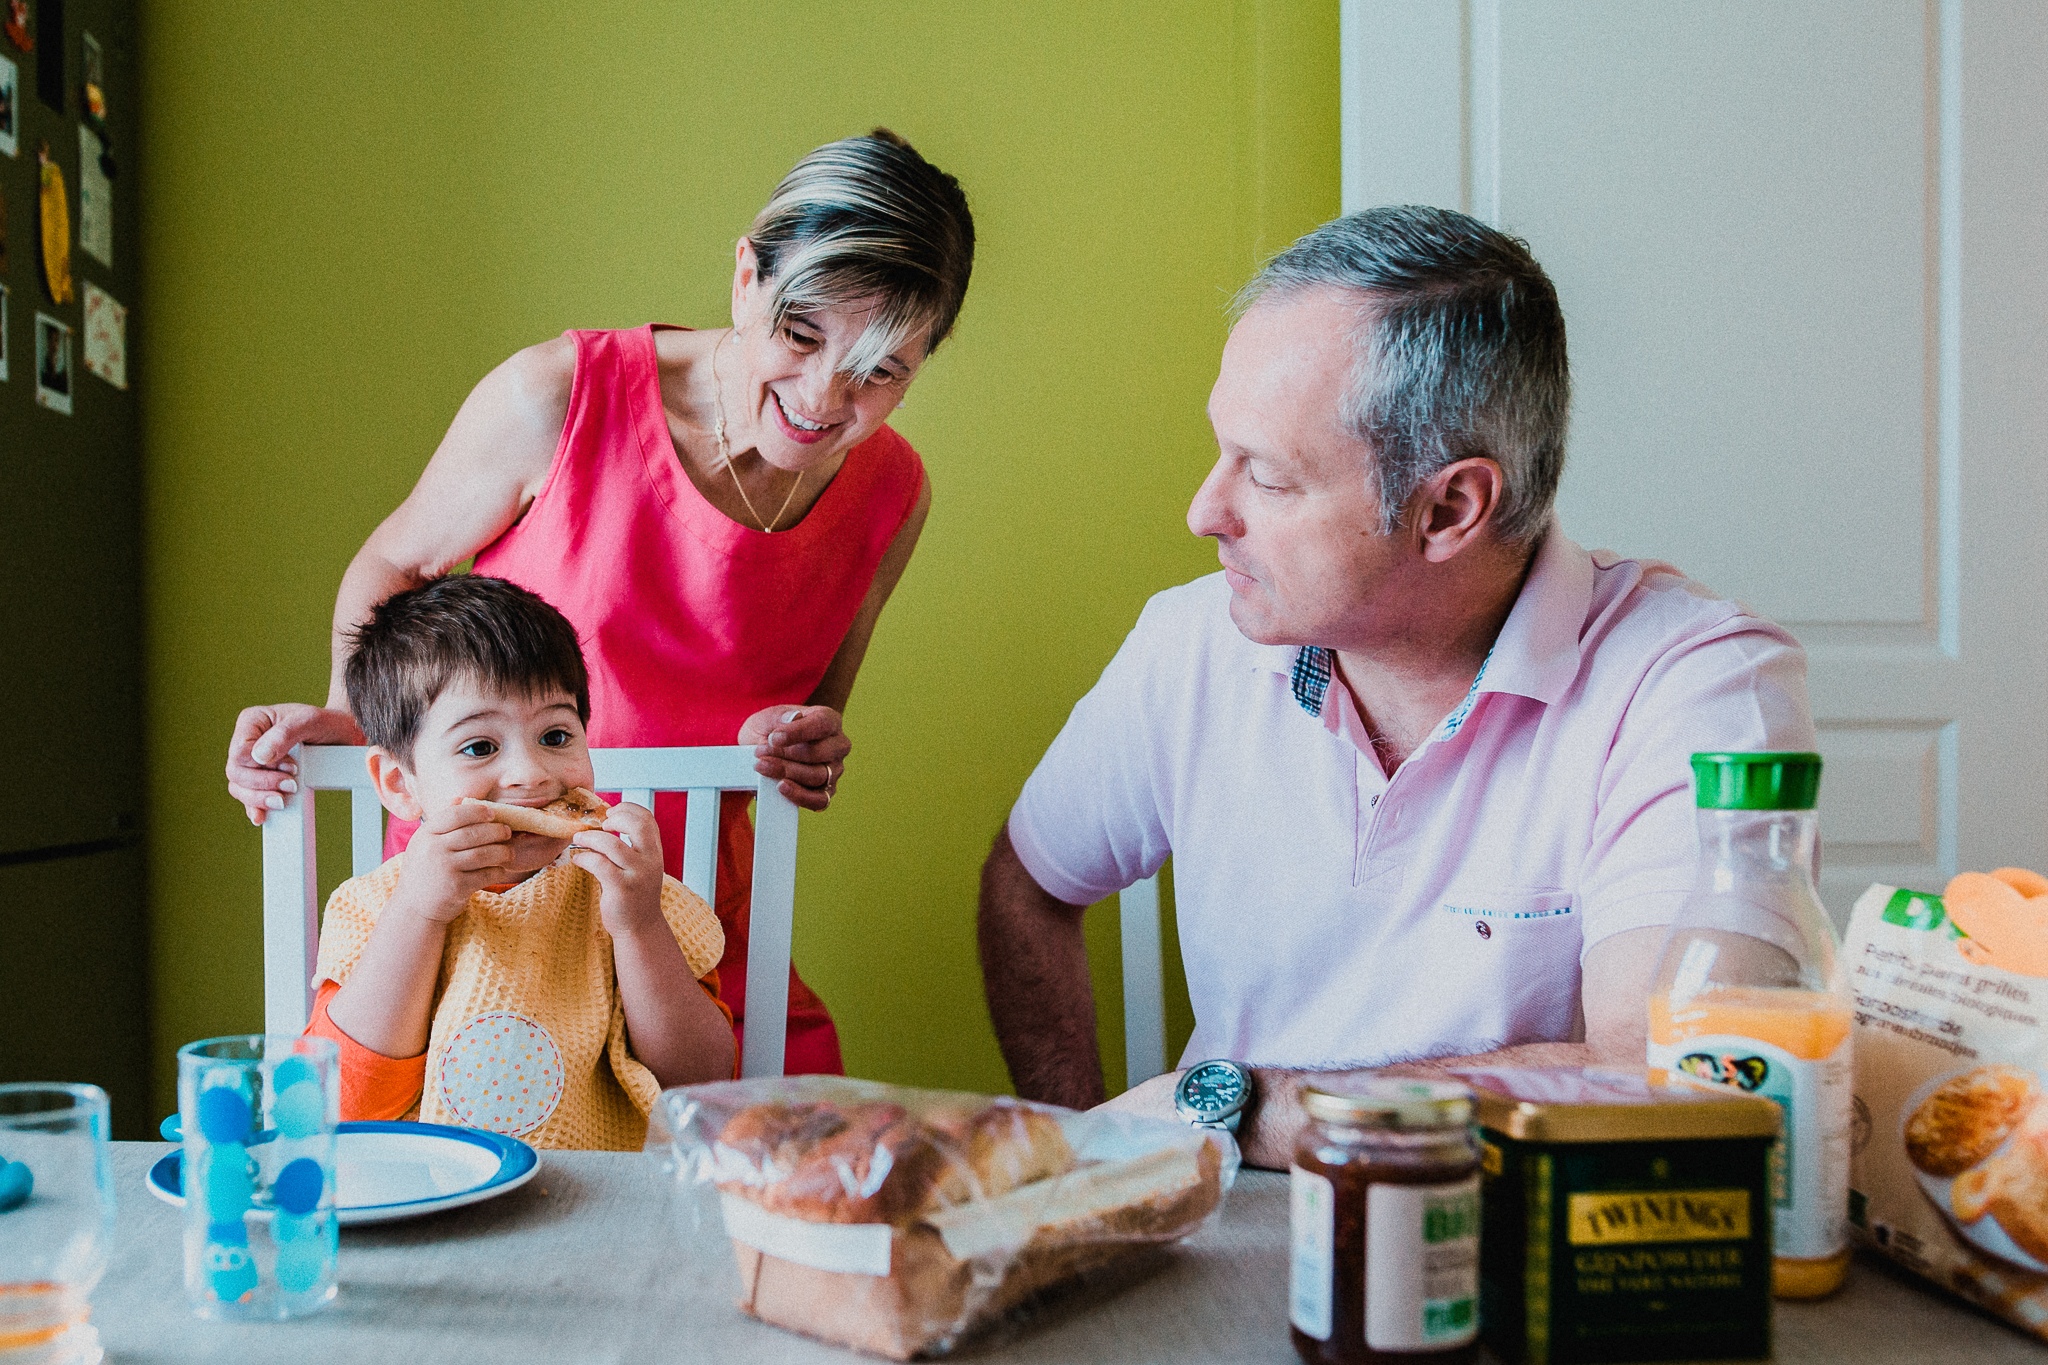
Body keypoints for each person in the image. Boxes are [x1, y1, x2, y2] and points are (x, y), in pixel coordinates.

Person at [977, 205, 1816, 1168]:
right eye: (1223, 452)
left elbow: (1678, 1082)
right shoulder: (1192, 642)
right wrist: (1084, 1157)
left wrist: (1247, 1108)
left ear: (1451, 506)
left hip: (1522, 1248)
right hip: (1224, 1238)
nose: (1206, 510)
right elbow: (1029, 885)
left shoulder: (1698, 682)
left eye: (1270, 477)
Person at [227, 129, 975, 1075]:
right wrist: (351, 710)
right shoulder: (556, 396)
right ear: (747, 276)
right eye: (800, 332)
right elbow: (395, 561)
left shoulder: (895, 496)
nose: (826, 398)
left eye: (883, 370)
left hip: (684, 919)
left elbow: (813, 706)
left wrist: (808, 743)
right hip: (483, 908)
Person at [306, 575, 733, 1149]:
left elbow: (699, 1082)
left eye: (556, 735)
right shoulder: (374, 908)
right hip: (432, 1200)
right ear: (399, 784)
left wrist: (638, 924)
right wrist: (418, 914)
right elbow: (348, 1103)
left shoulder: (633, 896)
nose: (532, 775)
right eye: (480, 747)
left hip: (599, 1199)